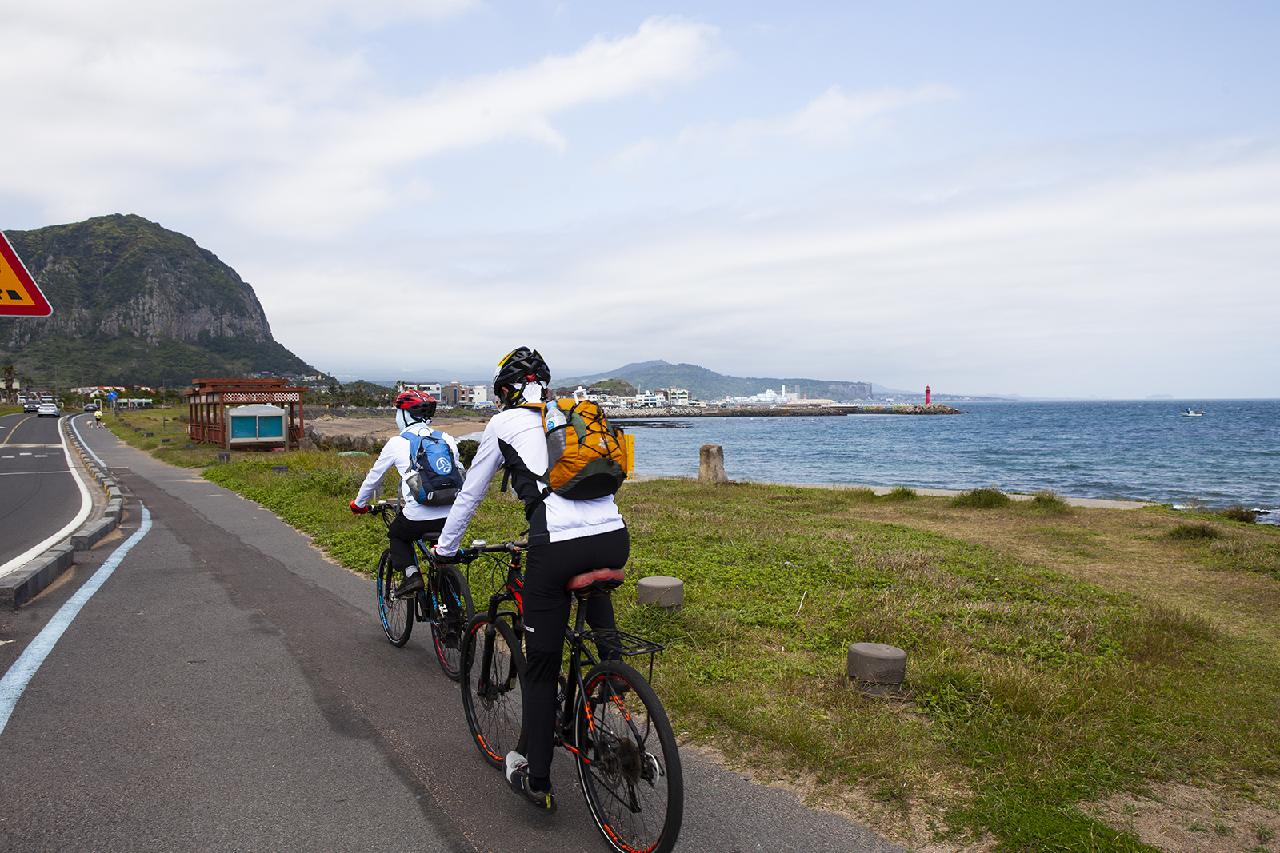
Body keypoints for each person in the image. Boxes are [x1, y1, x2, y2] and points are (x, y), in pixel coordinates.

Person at [433, 347, 628, 813]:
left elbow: (469, 495)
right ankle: (613, 675)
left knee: (540, 667)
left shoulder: (502, 425)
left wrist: (444, 550)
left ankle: (536, 777)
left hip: (557, 546)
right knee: (592, 589)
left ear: (505, 391)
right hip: (614, 538)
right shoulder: (574, 415)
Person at [349, 389, 462, 597]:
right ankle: (452, 603)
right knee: (442, 556)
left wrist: (359, 504)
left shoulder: (397, 443)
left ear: (404, 414)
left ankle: (412, 576)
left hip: (418, 516)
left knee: (397, 535)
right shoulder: (446, 438)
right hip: (452, 515)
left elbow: (374, 477)